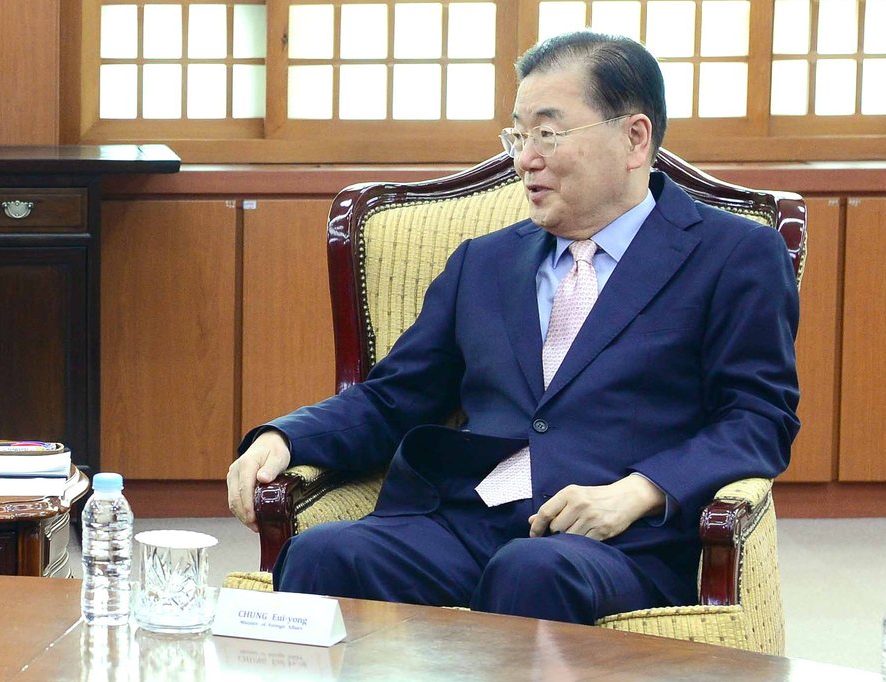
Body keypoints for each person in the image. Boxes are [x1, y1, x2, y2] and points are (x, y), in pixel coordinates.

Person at [225, 32, 800, 624]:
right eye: (518, 135)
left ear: (634, 138)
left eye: (548, 133)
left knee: (532, 569)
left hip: (613, 546)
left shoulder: (733, 254)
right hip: (464, 523)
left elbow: (759, 418)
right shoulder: (485, 262)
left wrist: (640, 489)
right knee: (323, 554)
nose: (524, 158)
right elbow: (394, 395)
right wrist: (284, 438)